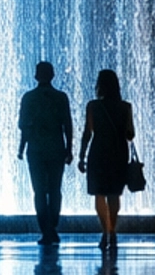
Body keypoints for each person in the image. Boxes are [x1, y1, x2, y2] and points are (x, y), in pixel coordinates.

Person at [78, 68, 136, 253]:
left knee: (99, 194)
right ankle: (113, 231)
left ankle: (106, 232)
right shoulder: (125, 106)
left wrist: (81, 155)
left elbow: (88, 132)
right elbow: (130, 134)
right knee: (114, 194)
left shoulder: (93, 106)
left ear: (99, 86)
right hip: (118, 152)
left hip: (99, 152)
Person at [17, 61, 74, 244]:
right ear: (53, 75)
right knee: (55, 189)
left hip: (35, 150)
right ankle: (52, 226)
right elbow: (68, 125)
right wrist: (69, 149)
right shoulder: (61, 97)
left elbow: (23, 126)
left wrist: (21, 148)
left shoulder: (28, 98)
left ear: (36, 76)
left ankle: (46, 230)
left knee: (39, 191)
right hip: (57, 149)